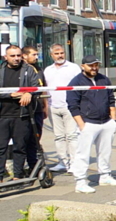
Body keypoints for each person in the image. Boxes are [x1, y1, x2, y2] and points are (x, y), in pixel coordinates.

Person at [67, 54, 116, 193]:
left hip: (106, 121)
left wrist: (113, 120)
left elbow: (111, 99)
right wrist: (81, 124)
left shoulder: (104, 79)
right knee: (82, 154)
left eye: (96, 65)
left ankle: (105, 176)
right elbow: (72, 105)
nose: (94, 68)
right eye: (91, 65)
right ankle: (80, 182)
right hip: (88, 123)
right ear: (82, 66)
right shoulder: (76, 82)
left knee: (105, 151)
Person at [0, 45, 40, 181]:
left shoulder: (28, 69)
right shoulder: (1, 70)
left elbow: (37, 86)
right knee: (1, 148)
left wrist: (29, 92)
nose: (16, 58)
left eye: (18, 55)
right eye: (13, 56)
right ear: (6, 57)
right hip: (3, 115)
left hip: (22, 115)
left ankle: (17, 176)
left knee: (20, 147)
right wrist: (11, 94)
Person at [43, 44, 80, 173]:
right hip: (53, 106)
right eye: (57, 53)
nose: (60, 55)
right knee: (59, 136)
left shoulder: (73, 68)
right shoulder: (48, 70)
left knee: (72, 136)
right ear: (51, 55)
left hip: (70, 107)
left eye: (62, 53)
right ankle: (62, 162)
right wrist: (46, 106)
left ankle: (75, 163)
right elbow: (45, 89)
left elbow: (80, 86)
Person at [21, 45, 47, 174]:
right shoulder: (23, 70)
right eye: (34, 55)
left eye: (37, 54)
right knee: (27, 137)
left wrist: (45, 106)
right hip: (27, 109)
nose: (36, 57)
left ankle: (33, 162)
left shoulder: (38, 68)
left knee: (36, 136)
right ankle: (29, 163)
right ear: (24, 56)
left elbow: (43, 88)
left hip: (38, 108)